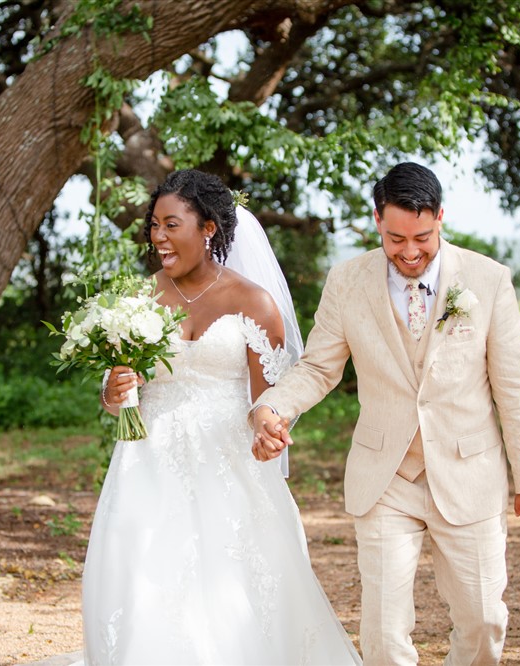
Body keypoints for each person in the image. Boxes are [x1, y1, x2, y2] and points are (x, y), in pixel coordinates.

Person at [251, 162, 520, 665]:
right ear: (376, 222)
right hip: (385, 475)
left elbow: (514, 389)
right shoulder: (347, 281)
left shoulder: (487, 279)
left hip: (469, 472)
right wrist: (272, 406)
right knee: (385, 634)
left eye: (422, 237)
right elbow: (318, 368)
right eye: (396, 239)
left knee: (483, 620)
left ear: (440, 219)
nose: (409, 252)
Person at [77, 170, 360, 664]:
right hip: (147, 462)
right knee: (146, 577)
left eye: (171, 224)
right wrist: (115, 389)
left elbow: (268, 401)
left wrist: (267, 430)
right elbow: (116, 391)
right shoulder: (139, 299)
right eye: (154, 225)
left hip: (228, 461)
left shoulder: (253, 302)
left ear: (208, 228)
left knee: (233, 588)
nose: (158, 237)